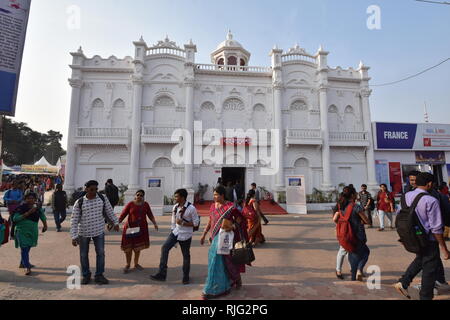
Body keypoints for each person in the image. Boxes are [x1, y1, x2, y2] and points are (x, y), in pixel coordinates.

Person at [394, 172, 450, 300]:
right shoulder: (431, 200)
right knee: (429, 271)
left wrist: (403, 237)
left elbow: (399, 217)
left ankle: (403, 282)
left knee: (421, 259)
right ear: (429, 184)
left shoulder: (405, 196)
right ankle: (425, 297)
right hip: (428, 240)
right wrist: (444, 248)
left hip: (411, 237)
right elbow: (436, 228)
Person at [200, 186, 248, 300]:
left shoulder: (230, 207)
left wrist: (232, 226)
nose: (214, 197)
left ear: (222, 195)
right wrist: (204, 234)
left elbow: (241, 220)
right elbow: (210, 220)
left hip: (226, 238)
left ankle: (215, 288)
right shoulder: (212, 206)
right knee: (216, 261)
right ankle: (219, 285)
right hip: (214, 237)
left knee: (220, 260)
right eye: (214, 194)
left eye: (216, 195)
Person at [70, 180, 120, 285]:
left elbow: (109, 211)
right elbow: (74, 220)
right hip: (83, 233)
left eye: (96, 189)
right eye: (92, 189)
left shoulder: (102, 198)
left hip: (99, 231)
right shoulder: (79, 202)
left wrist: (115, 222)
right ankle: (86, 275)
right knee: (83, 255)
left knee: (101, 254)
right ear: (86, 189)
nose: (94, 191)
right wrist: (74, 236)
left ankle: (99, 275)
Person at [151, 189, 199, 285]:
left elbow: (196, 223)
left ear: (182, 197)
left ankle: (186, 277)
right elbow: (173, 221)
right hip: (176, 232)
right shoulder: (175, 207)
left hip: (186, 234)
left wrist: (183, 223)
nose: (175, 198)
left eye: (176, 196)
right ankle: (162, 274)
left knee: (186, 255)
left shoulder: (191, 208)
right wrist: (172, 231)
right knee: (164, 248)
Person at [333, 186, 370, 281]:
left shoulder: (340, 205)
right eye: (356, 193)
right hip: (357, 234)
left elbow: (335, 219)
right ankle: (358, 270)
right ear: (353, 195)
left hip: (344, 234)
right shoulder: (356, 206)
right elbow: (367, 221)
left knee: (343, 251)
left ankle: (339, 271)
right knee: (363, 252)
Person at [120, 190, 158, 274]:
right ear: (135, 196)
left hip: (141, 229)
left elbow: (150, 215)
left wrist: (155, 223)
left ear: (143, 196)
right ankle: (127, 264)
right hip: (129, 228)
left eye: (141, 195)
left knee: (137, 248)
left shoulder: (145, 205)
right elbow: (123, 214)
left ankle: (136, 263)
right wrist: (116, 223)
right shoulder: (130, 204)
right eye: (138, 195)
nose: (139, 196)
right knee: (128, 248)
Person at [12, 192, 48, 275]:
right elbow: (15, 219)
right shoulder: (21, 208)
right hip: (21, 231)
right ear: (25, 199)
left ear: (35, 199)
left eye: (32, 198)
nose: (30, 200)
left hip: (32, 231)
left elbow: (42, 216)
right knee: (24, 248)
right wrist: (28, 213)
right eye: (28, 198)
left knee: (27, 248)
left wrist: (45, 225)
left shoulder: (38, 208)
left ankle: (22, 263)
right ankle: (27, 267)